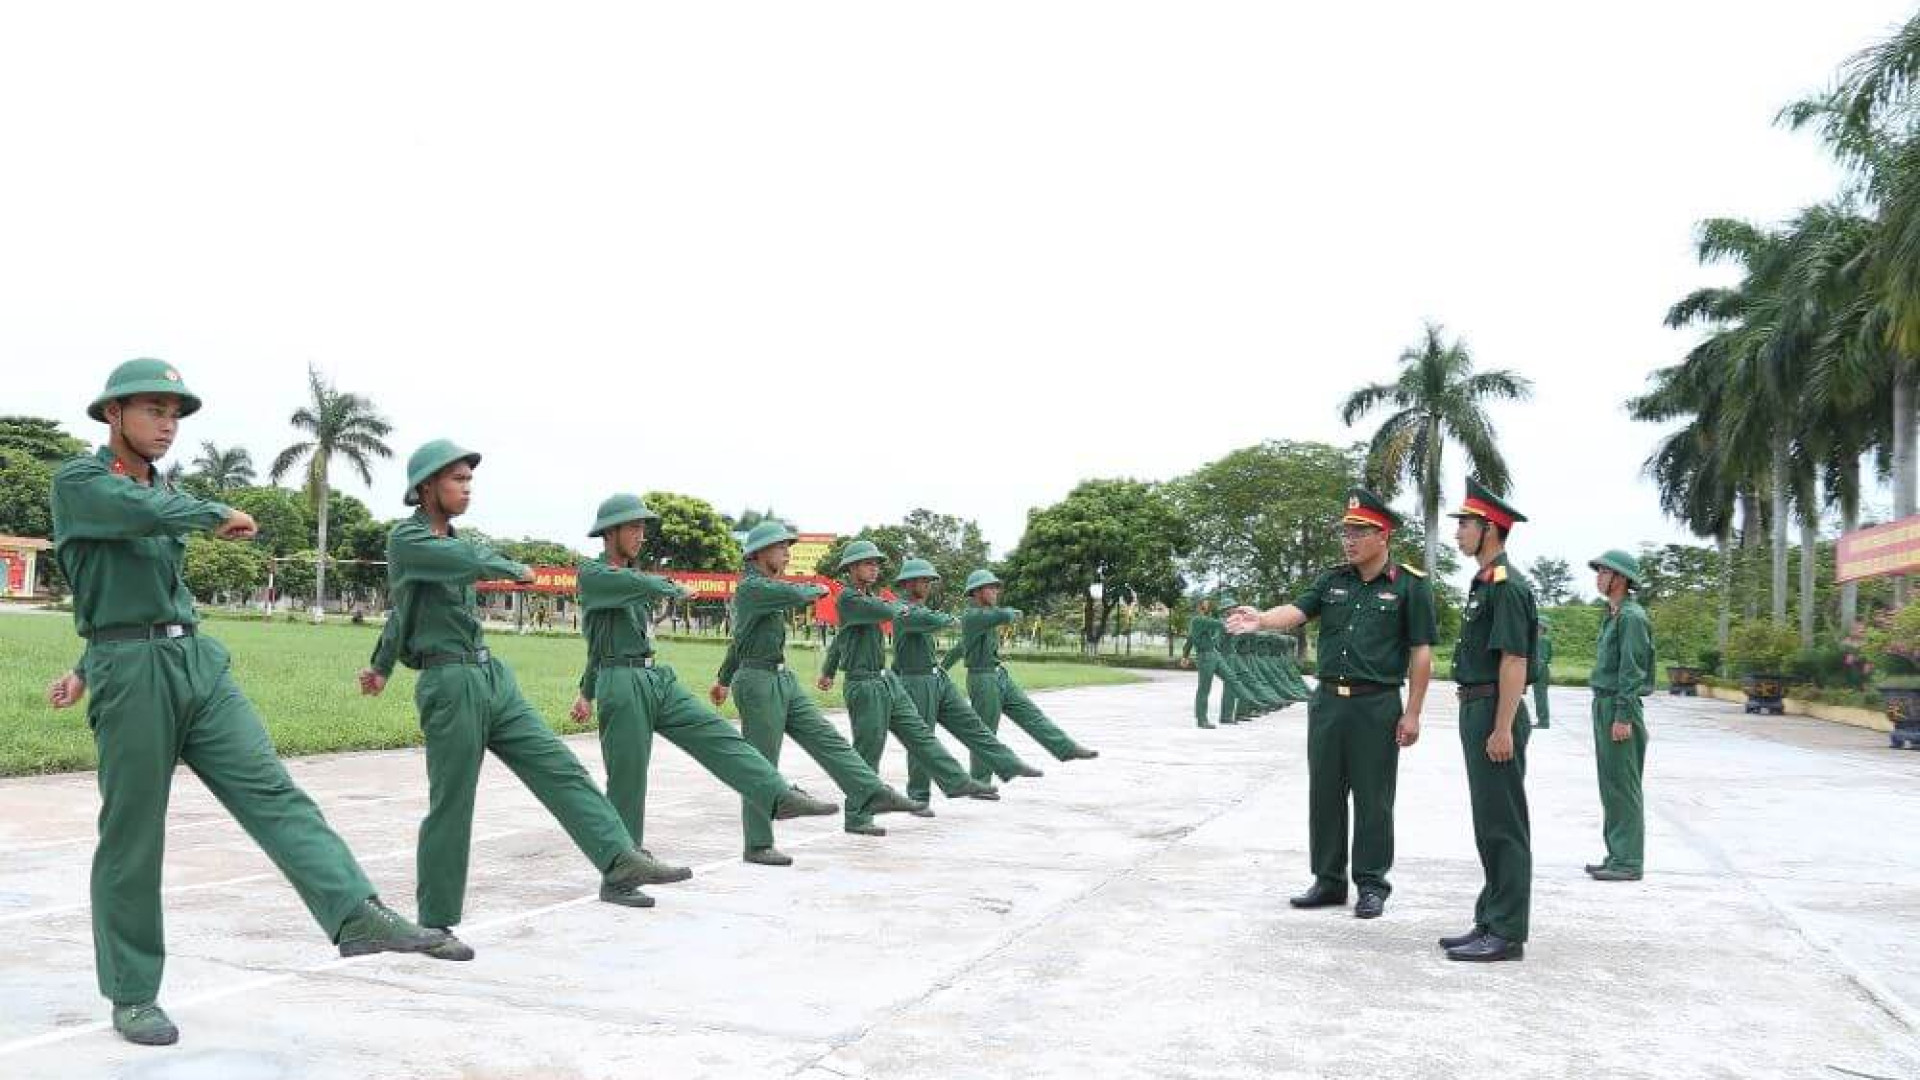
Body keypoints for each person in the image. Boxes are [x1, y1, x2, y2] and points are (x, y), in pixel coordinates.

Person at [48, 359, 443, 1047]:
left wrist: (81, 667)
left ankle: (355, 912)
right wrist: (209, 513)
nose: (167, 423)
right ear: (112, 414)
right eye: (151, 409)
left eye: (176, 412)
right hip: (131, 669)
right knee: (134, 835)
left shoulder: (162, 489)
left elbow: (139, 581)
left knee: (272, 789)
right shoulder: (80, 483)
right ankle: (134, 993)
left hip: (195, 658)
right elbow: (127, 526)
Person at [360, 441, 671, 963]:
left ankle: (619, 857)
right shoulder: (410, 540)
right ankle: (435, 923)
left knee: (557, 764)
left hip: (489, 675)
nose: (467, 488)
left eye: (469, 480)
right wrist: (508, 565)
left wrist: (379, 665)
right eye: (457, 480)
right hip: (448, 682)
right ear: (427, 486)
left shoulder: (452, 539)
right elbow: (438, 579)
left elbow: (404, 609)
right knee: (453, 804)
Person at [569, 494, 838, 871]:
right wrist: (589, 691)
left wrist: (585, 692)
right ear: (608, 533)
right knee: (628, 782)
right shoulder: (594, 575)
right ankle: (621, 870)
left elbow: (615, 618)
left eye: (643, 527)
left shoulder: (629, 582)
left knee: (716, 733)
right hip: (622, 679)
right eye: (633, 527)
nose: (641, 534)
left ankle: (777, 795)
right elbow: (603, 643)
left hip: (653, 676)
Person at [1226, 488, 1435, 921]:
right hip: (1327, 704)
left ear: (1383, 535)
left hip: (1376, 705)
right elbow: (1297, 611)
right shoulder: (1332, 580)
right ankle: (1328, 880)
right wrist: (1261, 619)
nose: (1349, 539)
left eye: (1359, 531)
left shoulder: (1410, 586)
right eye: (1346, 531)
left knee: (1374, 799)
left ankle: (1372, 884)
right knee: (1325, 795)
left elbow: (1420, 653)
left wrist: (1412, 711)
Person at [710, 521, 924, 866]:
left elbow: (741, 639)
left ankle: (870, 793)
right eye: (781, 546)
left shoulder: (768, 588)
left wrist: (721, 679)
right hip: (758, 680)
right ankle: (758, 843)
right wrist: (816, 590)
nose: (787, 552)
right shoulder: (753, 588)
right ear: (758, 552)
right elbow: (797, 597)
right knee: (762, 764)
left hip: (782, 677)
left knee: (827, 737)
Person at [817, 541, 996, 834]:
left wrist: (827, 671)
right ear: (850, 568)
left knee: (920, 734)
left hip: (884, 680)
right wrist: (911, 610)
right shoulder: (850, 599)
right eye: (867, 563)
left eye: (876, 563)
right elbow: (889, 611)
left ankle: (955, 781)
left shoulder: (868, 598)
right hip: (864, 684)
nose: (874, 568)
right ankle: (858, 817)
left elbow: (841, 639)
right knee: (868, 751)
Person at [1438, 477, 1538, 963]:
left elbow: (1514, 661)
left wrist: (1502, 727)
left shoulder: (1507, 586)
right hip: (1477, 706)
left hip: (1495, 709)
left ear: (1490, 530)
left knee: (1504, 823)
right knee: (1488, 821)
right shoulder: (1484, 582)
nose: (1457, 532)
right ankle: (1490, 918)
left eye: (1465, 525)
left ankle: (1507, 931)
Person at [889, 558, 1043, 806]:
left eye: (929, 581)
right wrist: (951, 620)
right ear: (907, 583)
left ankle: (1001, 768)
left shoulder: (919, 608)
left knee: (973, 725)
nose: (927, 585)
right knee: (922, 739)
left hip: (933, 677)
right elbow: (932, 621)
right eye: (922, 580)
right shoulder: (903, 609)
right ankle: (918, 796)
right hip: (916, 681)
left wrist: (941, 667)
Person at [942, 569, 1098, 782]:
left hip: (999, 675)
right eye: (991, 587)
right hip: (983, 679)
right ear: (976, 592)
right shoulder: (973, 616)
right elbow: (1005, 615)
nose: (996, 591)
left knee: (1031, 714)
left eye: (996, 587)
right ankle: (980, 780)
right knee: (985, 732)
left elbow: (962, 646)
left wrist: (942, 667)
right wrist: (1011, 613)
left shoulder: (985, 618)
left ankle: (1065, 748)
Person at [1585, 549, 1654, 883]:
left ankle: (1628, 861)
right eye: (1598, 572)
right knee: (1610, 784)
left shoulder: (1632, 617)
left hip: (1618, 707)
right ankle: (1616, 854)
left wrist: (1623, 716)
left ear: (1621, 579)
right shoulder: (1612, 614)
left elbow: (1633, 669)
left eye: (1604, 572)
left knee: (1624, 786)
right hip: (1604, 704)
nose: (1599, 577)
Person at [1180, 597, 1245, 729]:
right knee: (1204, 688)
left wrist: (1185, 656)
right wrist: (1185, 656)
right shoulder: (1199, 620)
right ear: (1199, 607)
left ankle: (1226, 716)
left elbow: (1192, 639)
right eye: (1204, 606)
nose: (1207, 607)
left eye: (1208, 605)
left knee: (1231, 682)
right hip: (1207, 656)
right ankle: (1202, 719)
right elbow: (1191, 639)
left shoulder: (1209, 620)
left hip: (1216, 655)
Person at [1531, 617, 1554, 729]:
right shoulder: (1544, 639)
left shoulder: (1542, 640)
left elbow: (1541, 660)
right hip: (1542, 671)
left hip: (1540, 672)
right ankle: (1542, 720)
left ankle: (1543, 722)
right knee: (1540, 697)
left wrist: (1534, 673)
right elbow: (1549, 657)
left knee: (1541, 698)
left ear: (1541, 628)